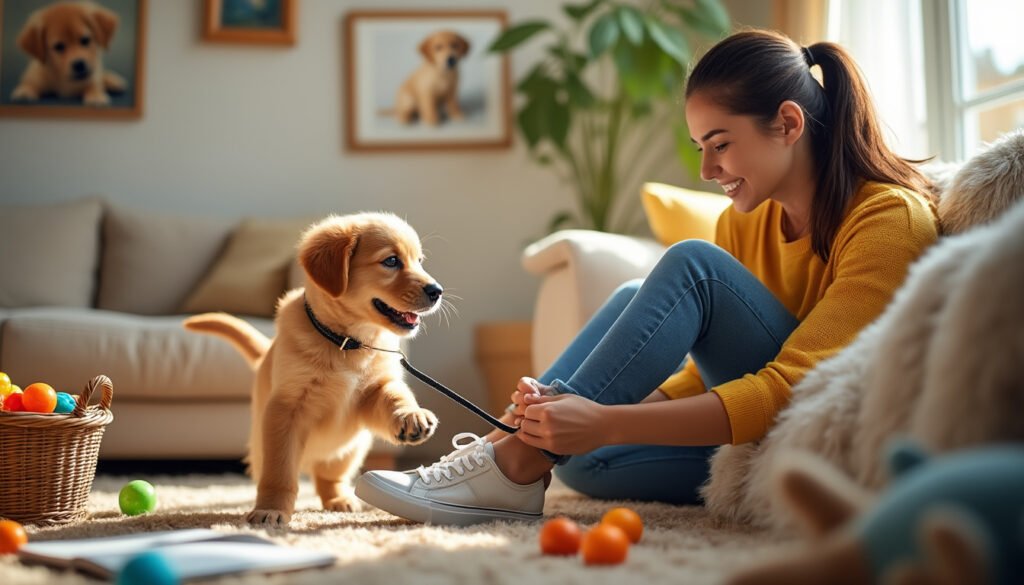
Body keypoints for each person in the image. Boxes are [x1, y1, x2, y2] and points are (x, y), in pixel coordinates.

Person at [353, 29, 940, 525]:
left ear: (787, 123)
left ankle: (512, 463)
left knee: (694, 268)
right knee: (581, 455)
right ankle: (508, 443)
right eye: (700, 147)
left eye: (720, 145)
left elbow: (793, 388)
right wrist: (568, 414)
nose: (708, 170)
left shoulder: (888, 220)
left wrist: (605, 417)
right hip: (759, 437)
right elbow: (708, 371)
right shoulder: (752, 219)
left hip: (835, 438)